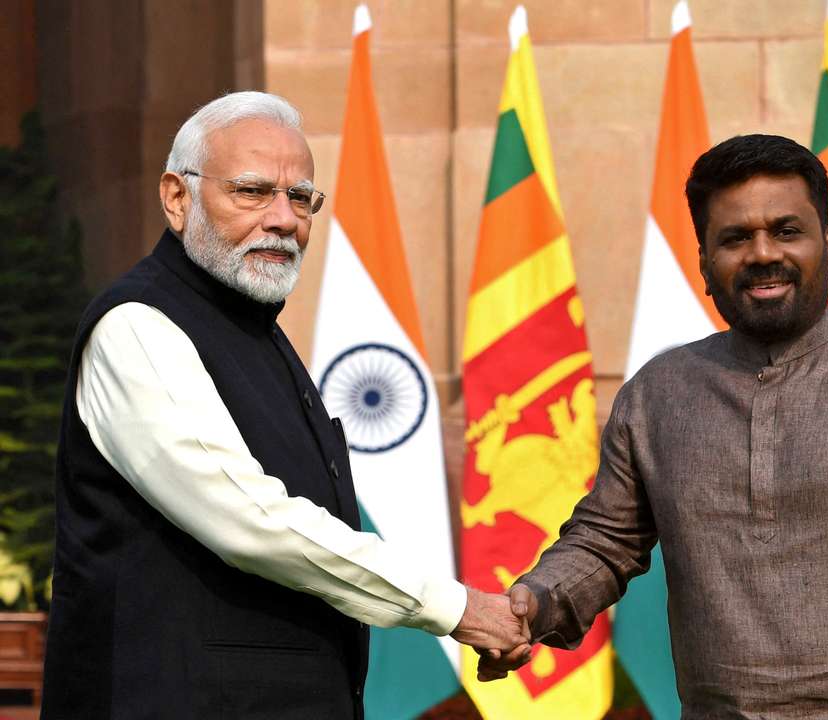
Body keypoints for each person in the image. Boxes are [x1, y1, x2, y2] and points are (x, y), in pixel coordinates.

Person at [480, 134, 828, 718]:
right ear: (703, 264)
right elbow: (605, 541)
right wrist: (533, 605)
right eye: (735, 238)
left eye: (787, 231)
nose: (763, 253)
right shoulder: (658, 395)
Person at [43, 91, 526, 718]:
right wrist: (455, 608)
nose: (282, 219)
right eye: (251, 191)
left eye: (301, 198)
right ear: (176, 197)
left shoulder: (255, 330)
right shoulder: (138, 325)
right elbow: (251, 521)